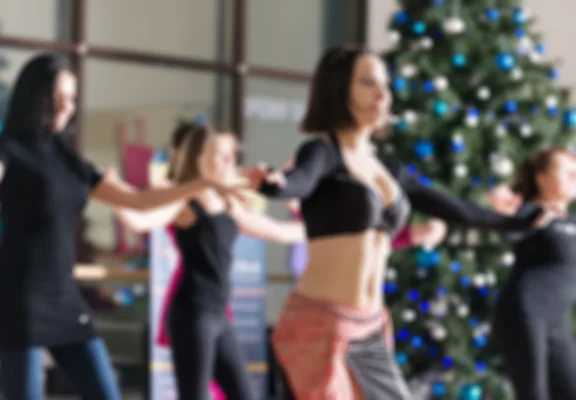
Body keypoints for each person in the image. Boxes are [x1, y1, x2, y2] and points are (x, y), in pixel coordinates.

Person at [243, 45, 555, 399]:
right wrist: (272, 182)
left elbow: (452, 207)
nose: (382, 94)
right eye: (367, 83)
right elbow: (297, 181)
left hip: (369, 326)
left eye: (385, 85)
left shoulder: (388, 169)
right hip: (321, 322)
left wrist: (518, 222)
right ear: (339, 89)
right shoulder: (323, 153)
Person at [0, 53, 243, 400]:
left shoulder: (70, 160)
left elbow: (137, 200)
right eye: (57, 99)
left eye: (71, 99)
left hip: (66, 301)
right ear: (35, 97)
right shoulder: (10, 149)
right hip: (20, 300)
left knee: (106, 393)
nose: (66, 108)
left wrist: (202, 183)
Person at [114, 124, 305, 400]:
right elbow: (142, 219)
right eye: (220, 154)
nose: (229, 161)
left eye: (232, 154)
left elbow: (280, 232)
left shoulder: (231, 203)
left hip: (218, 316)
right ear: (198, 158)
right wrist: (118, 197)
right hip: (192, 314)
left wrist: (329, 224)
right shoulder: (184, 199)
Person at [486, 147, 576, 400]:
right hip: (524, 313)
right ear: (542, 178)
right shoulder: (531, 213)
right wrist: (503, 211)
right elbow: (510, 232)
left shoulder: (572, 222)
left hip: (557, 322)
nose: (574, 177)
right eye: (566, 172)